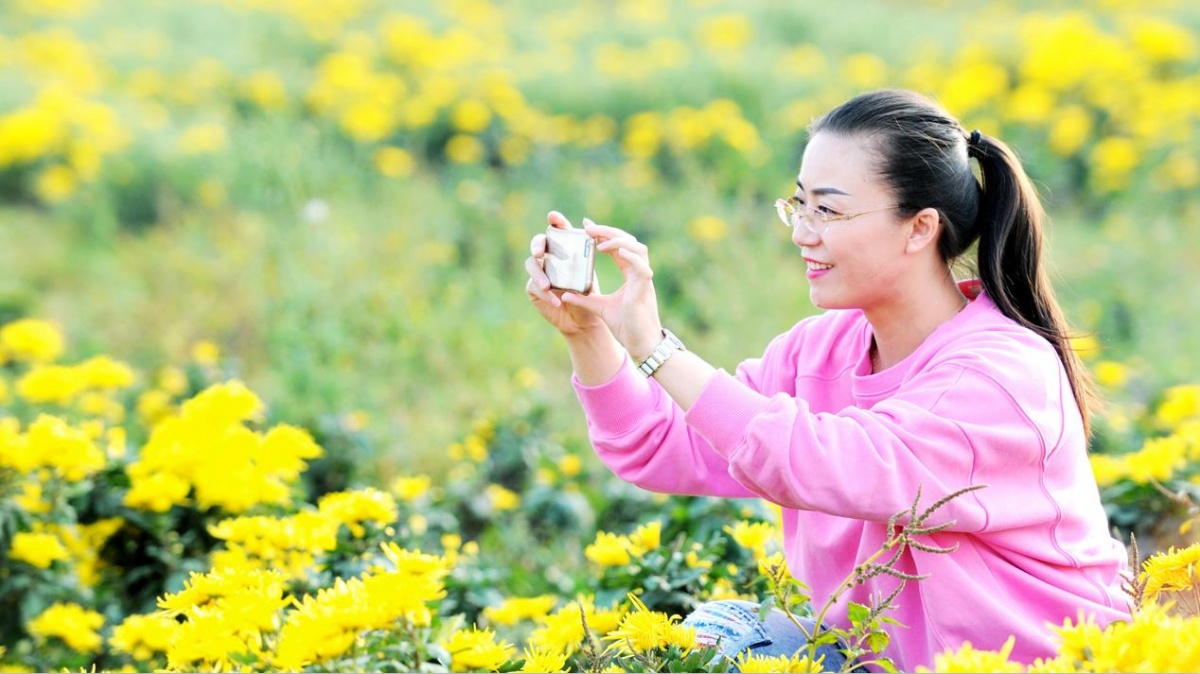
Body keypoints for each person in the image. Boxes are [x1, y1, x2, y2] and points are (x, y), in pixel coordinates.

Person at [523, 88, 1131, 671]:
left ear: (920, 228)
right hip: (874, 661)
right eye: (800, 203)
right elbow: (661, 446)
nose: (801, 231)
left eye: (829, 210)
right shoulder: (819, 349)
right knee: (718, 637)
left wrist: (656, 348)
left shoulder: (1002, 375)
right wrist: (588, 333)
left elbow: (827, 463)